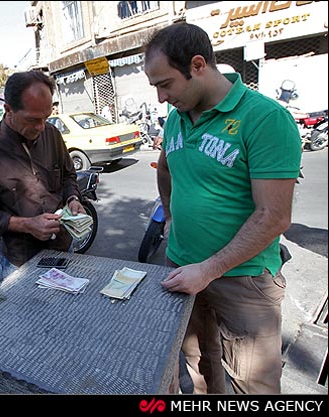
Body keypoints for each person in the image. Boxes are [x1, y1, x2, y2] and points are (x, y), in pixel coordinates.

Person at [143, 23, 302, 394]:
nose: (161, 98)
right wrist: (168, 216)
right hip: (183, 269)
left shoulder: (264, 119)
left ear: (198, 65)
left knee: (252, 384)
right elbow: (166, 168)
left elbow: (274, 216)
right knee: (199, 369)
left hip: (243, 280)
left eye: (165, 84)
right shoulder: (176, 117)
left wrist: (209, 269)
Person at [0, 71, 86, 278]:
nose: (41, 127)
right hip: (20, 261)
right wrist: (27, 224)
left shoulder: (52, 134)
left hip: (64, 246)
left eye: (46, 118)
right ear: (8, 110)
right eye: (33, 120)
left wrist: (73, 198)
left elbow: (67, 176)